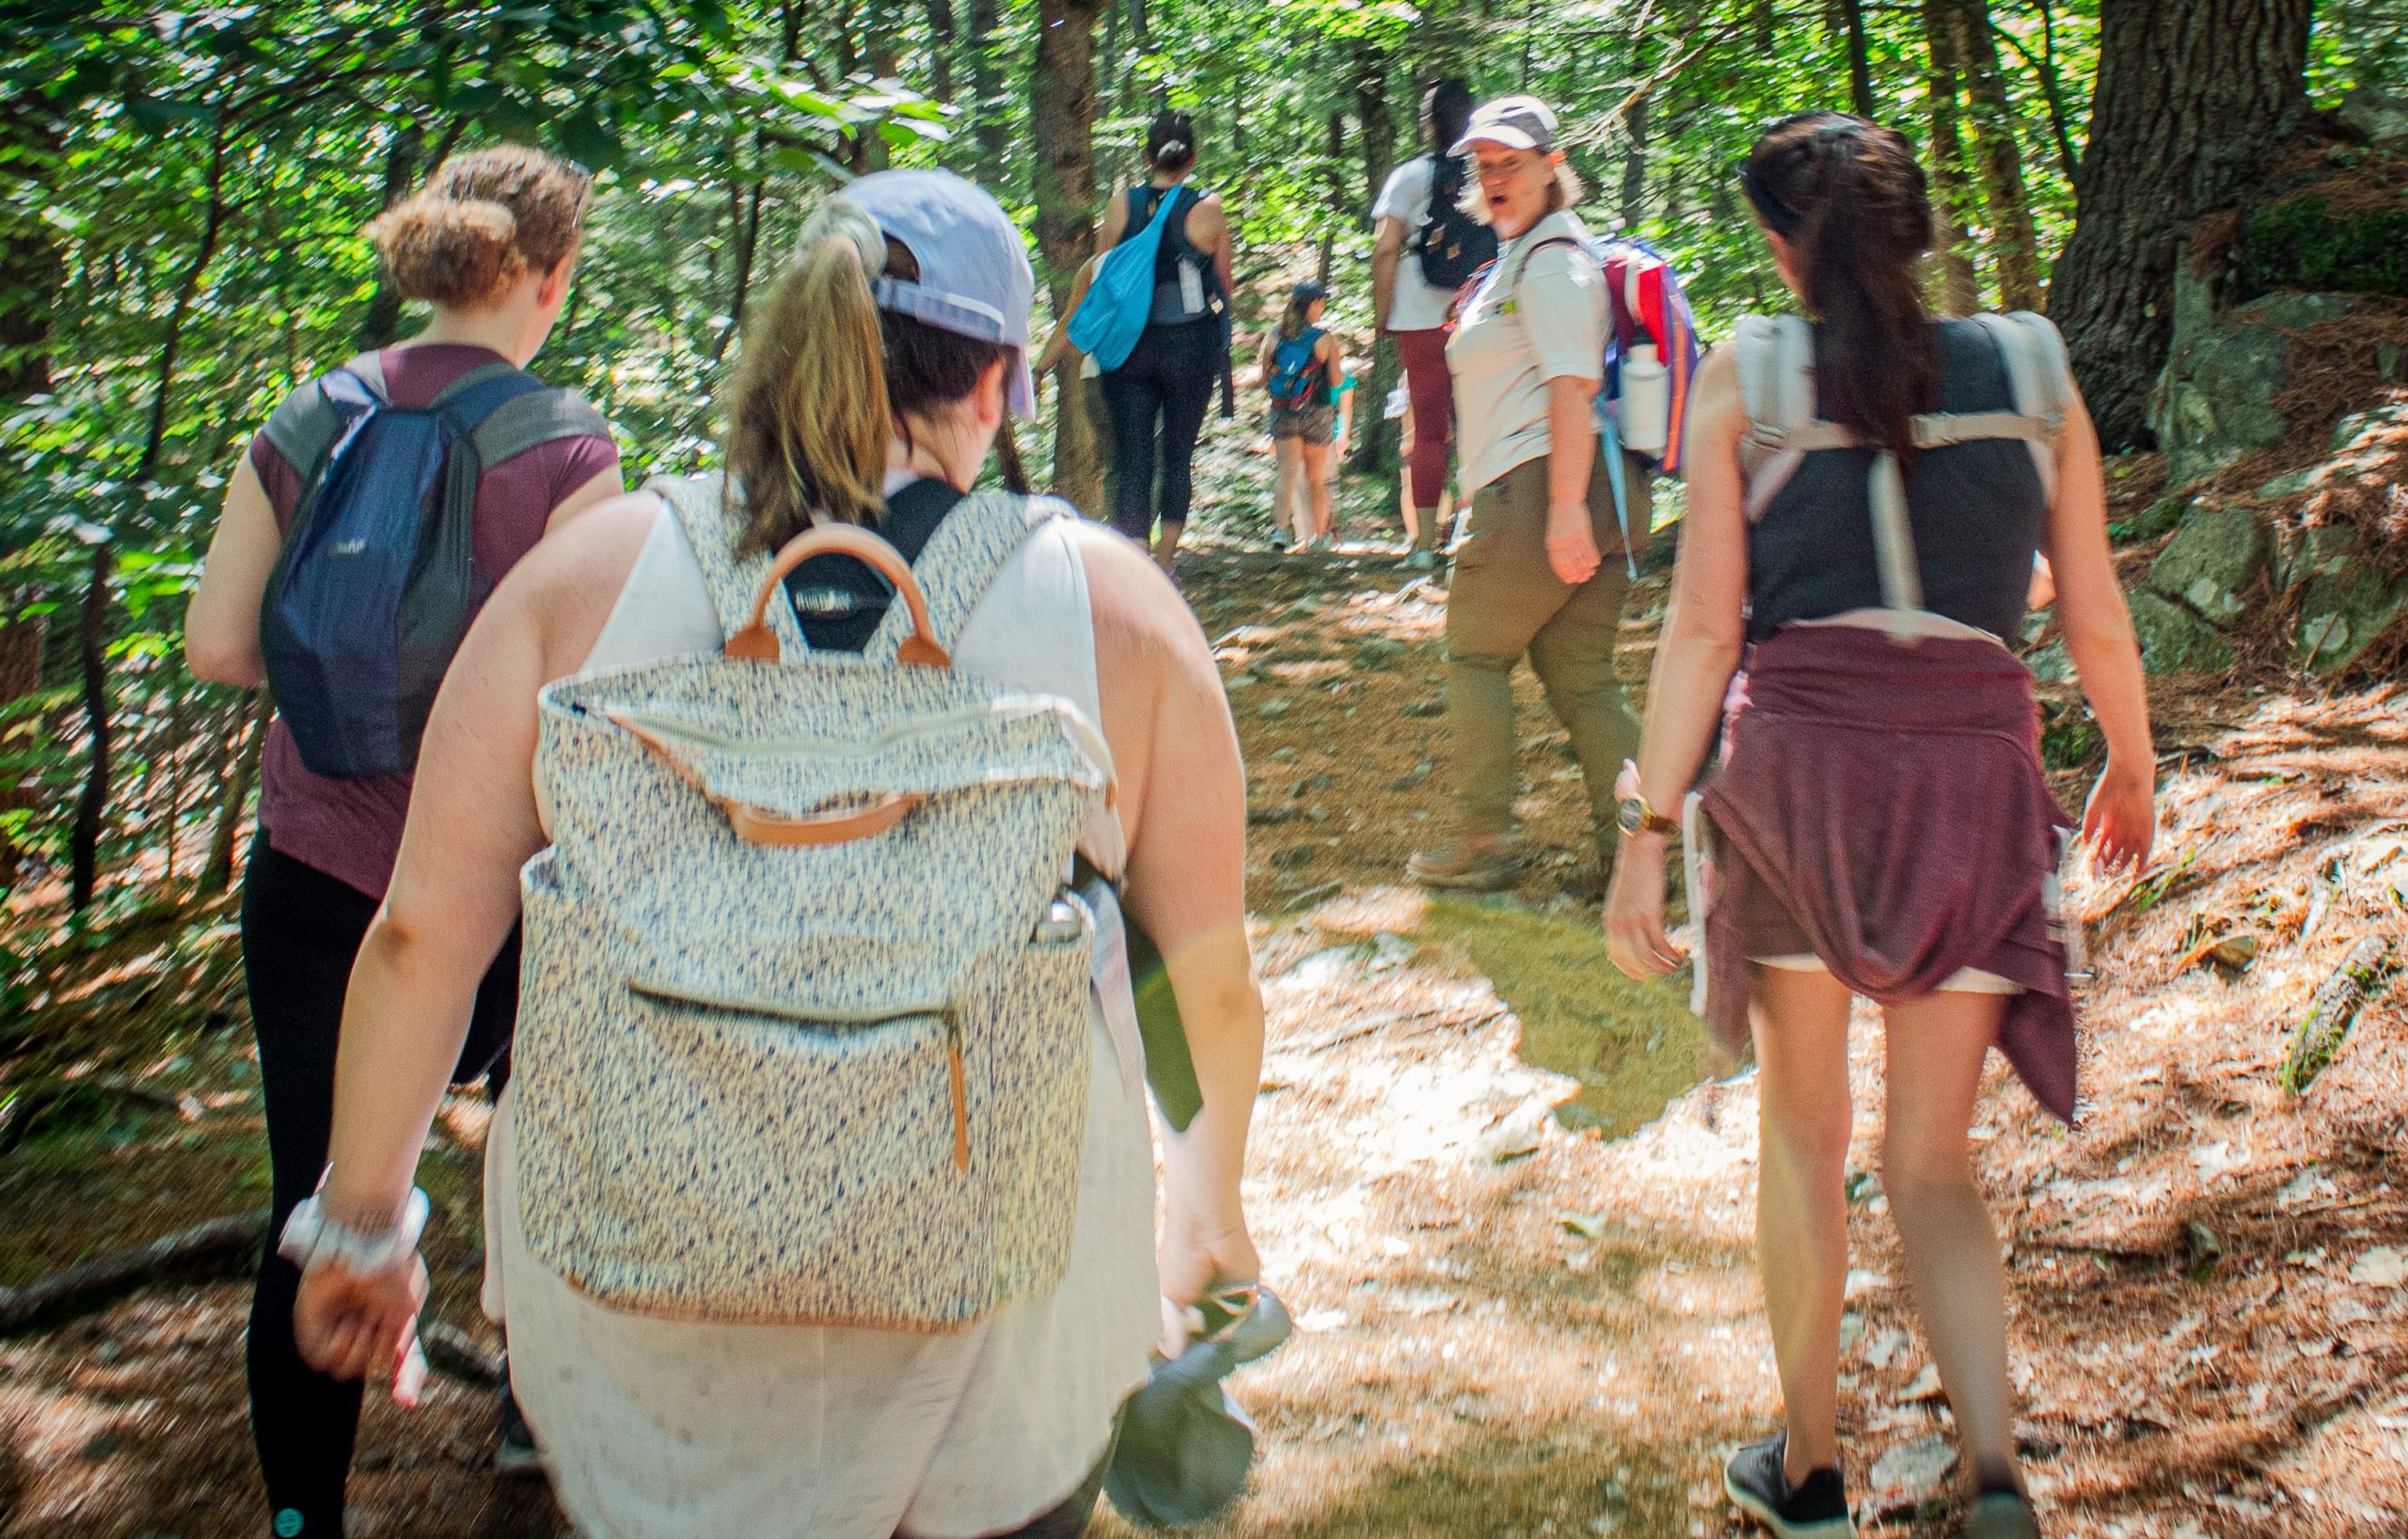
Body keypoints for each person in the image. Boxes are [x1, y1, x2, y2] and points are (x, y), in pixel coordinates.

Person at [282, 168, 1267, 1539]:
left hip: (648, 1359)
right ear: (991, 387)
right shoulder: (1119, 615)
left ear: (787, 339)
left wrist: (362, 1224)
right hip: (1004, 1347)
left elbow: (419, 939)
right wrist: (1204, 1213)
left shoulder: (586, 579)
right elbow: (1207, 983)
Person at [1603, 113, 2155, 1539]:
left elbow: (1705, 627)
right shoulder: (2036, 370)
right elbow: (2089, 606)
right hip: (1976, 778)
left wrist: (1647, 826)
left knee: (1803, 1133)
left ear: (1785, 250)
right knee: (1932, 1164)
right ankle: (1994, 1479)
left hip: (1801, 776)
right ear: (1915, 233)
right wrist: (2133, 763)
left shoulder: (1748, 377)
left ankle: (1809, 1472)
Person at [183, 143, 617, 1539]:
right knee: (546, 1161)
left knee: (317, 1202)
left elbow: (215, 643)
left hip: (307, 876)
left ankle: (305, 1517)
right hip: (498, 903)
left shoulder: (307, 417)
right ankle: (533, 1433)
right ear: (548, 279)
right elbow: (591, 712)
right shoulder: (566, 446)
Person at [1406, 95, 1649, 896]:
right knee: (1582, 677)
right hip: (1578, 486)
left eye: (1512, 161)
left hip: (1545, 485)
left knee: (1473, 653)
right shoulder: (1526, 254)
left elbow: (1573, 388)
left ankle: (1485, 838)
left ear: (1553, 166)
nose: (1496, 176)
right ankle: (1639, 854)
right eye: (1484, 164)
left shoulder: (1554, 262)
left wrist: (1565, 509)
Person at [1094, 109, 1235, 572]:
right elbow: (1224, 288)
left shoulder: (1121, 206)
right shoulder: (1209, 209)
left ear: (1146, 154)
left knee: (1133, 458)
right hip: (1190, 346)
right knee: (1177, 457)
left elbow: (1100, 276)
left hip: (1129, 348)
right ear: (1192, 158)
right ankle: (1166, 565)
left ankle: (1135, 564)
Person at [1371, 79, 1481, 570]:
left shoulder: (1409, 177)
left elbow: (1385, 248)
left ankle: (1422, 546)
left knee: (1430, 431)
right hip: (1478, 312)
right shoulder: (1488, 172)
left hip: (1419, 316)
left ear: (1428, 122)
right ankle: (1476, 535)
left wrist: (1383, 312)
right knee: (1480, 425)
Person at [1258, 279, 1345, 552]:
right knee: (1315, 478)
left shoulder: (1273, 336)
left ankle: (1280, 532)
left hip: (1284, 411)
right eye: (1321, 302)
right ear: (1314, 305)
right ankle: (1319, 538)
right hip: (1317, 412)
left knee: (1286, 472)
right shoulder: (1324, 339)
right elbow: (1334, 381)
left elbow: (1264, 380)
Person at [1035, 251, 1119, 516]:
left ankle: (1126, 544)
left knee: (1117, 466)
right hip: (1152, 378)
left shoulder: (1096, 264)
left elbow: (1069, 324)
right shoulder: (1167, 253)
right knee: (1155, 464)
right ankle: (1143, 548)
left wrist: (1039, 370)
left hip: (1099, 376)